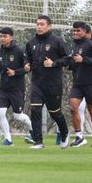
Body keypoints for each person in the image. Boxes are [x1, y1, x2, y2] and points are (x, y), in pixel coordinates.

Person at [24, 15, 70, 149]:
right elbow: (27, 58)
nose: (39, 26)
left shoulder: (57, 41)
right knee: (35, 110)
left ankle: (65, 133)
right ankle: (38, 142)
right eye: (37, 24)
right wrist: (27, 65)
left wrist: (54, 63)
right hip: (37, 84)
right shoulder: (31, 43)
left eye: (42, 24)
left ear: (49, 26)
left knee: (54, 112)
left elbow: (68, 59)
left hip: (53, 84)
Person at [64, 21, 92, 148]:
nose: (75, 33)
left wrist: (84, 60)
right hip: (77, 83)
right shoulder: (73, 46)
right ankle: (79, 136)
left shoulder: (90, 44)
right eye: (74, 31)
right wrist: (68, 64)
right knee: (72, 107)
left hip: (90, 83)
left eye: (78, 31)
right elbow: (72, 63)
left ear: (84, 32)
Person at [0, 27, 32, 146]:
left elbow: (26, 68)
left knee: (18, 115)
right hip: (4, 88)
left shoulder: (19, 51)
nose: (2, 38)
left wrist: (16, 72)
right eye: (0, 36)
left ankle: (33, 129)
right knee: (0, 112)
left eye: (5, 36)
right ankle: (8, 139)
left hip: (17, 88)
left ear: (11, 37)